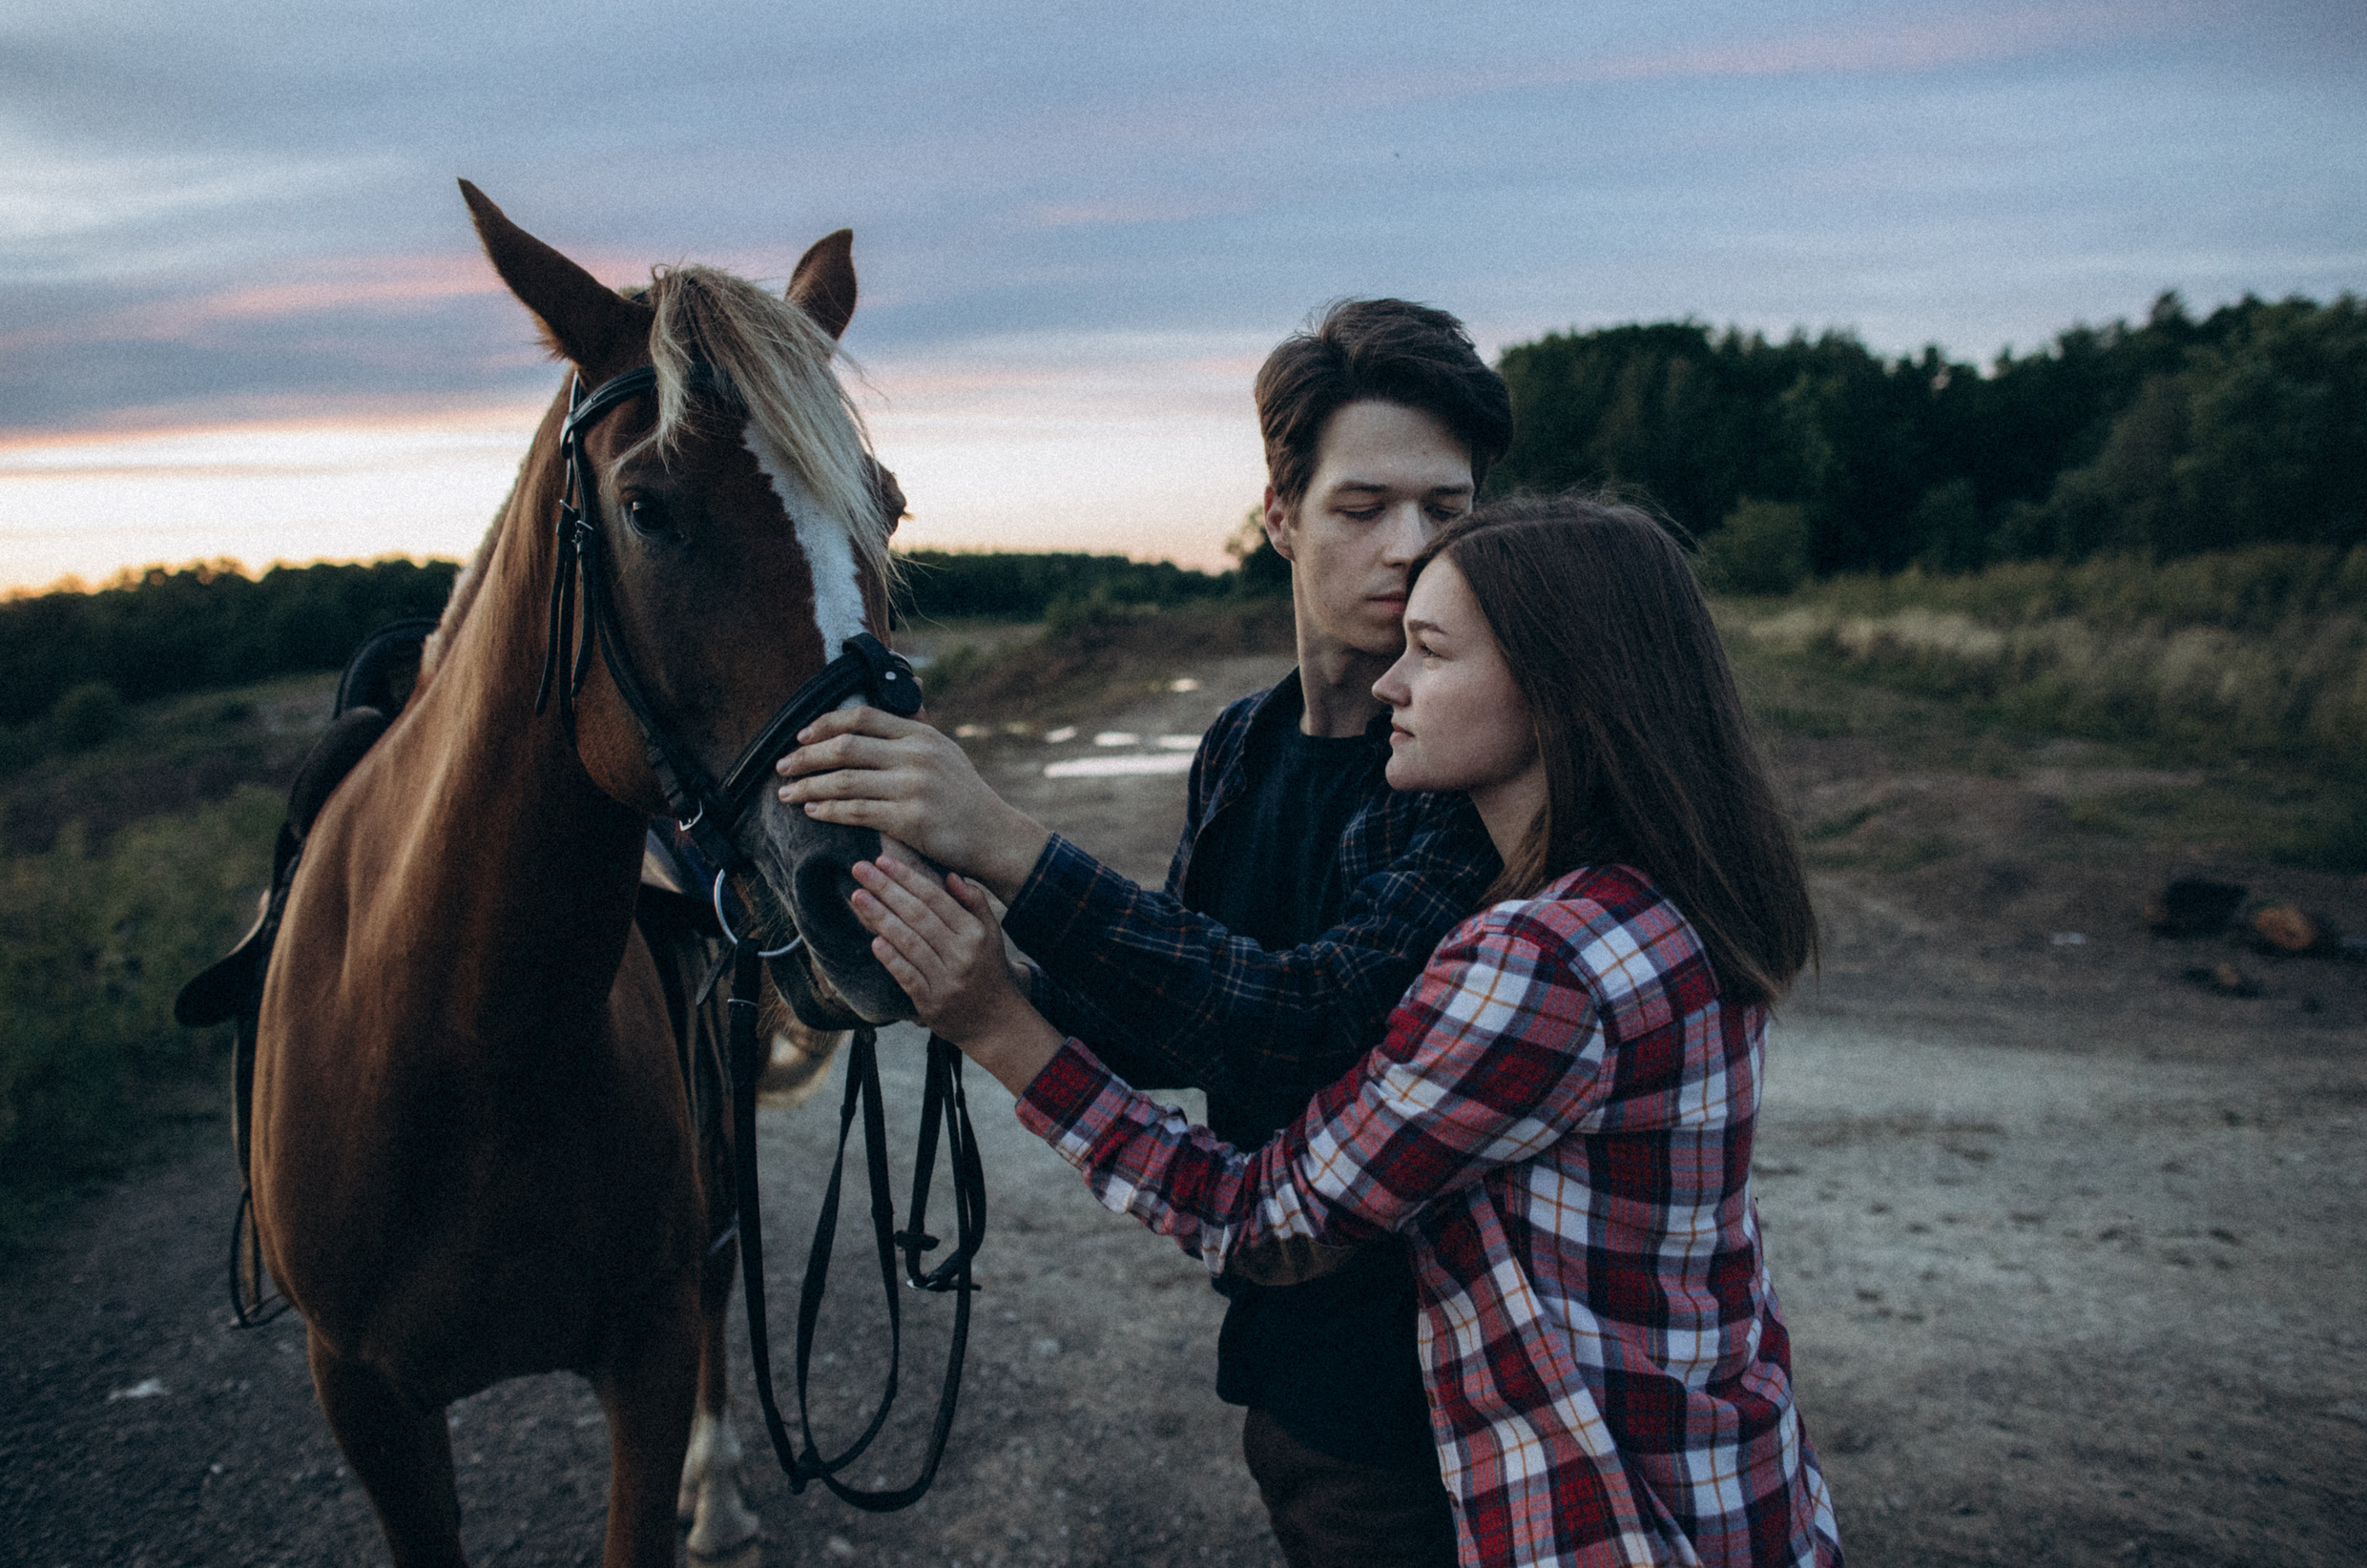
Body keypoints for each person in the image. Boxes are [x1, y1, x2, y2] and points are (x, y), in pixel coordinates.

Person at [845, 497, 1843, 1568]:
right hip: (1737, 1493)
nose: (1390, 683)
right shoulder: (1664, 904)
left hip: (1606, 1525)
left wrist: (995, 1023)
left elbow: (1256, 1217)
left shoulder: (1540, 964)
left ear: (1555, 688)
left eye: (1430, 651)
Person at [775, 299, 1513, 1562]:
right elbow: (1180, 1005)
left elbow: (1306, 1018)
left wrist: (1007, 841)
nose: (1409, 547)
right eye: (1363, 506)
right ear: (1279, 515)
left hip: (1437, 1387)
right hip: (1289, 1356)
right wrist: (953, 953)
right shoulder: (1242, 741)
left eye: (1446, 512)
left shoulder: (1473, 771)